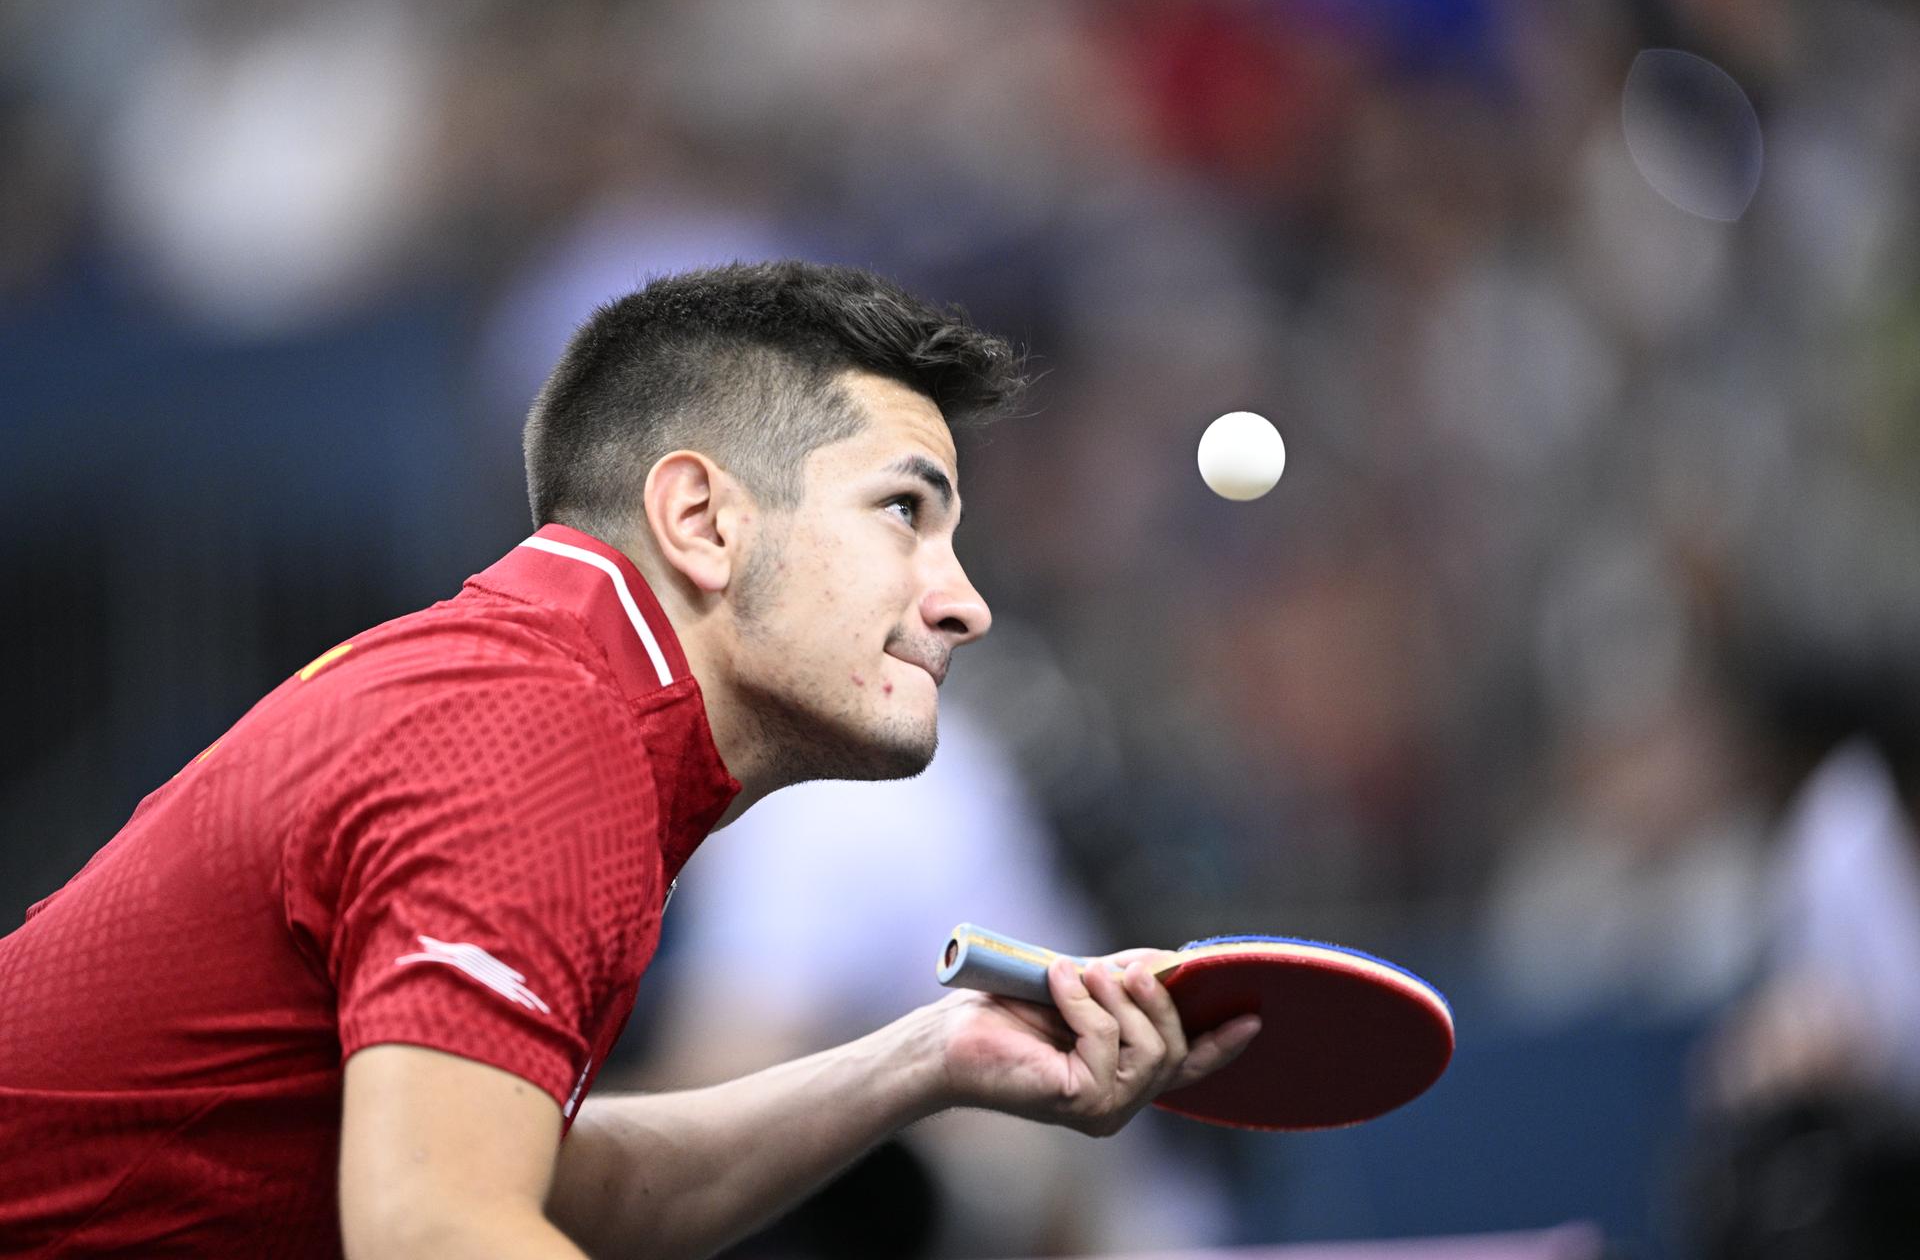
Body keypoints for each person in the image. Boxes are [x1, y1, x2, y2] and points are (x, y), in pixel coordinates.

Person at [0, 261, 1261, 1259]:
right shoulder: (539, 733)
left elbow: (538, 1187)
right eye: (904, 512)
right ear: (702, 519)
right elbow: (440, 1230)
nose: (964, 600)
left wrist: (927, 1058)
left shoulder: (526, 687)